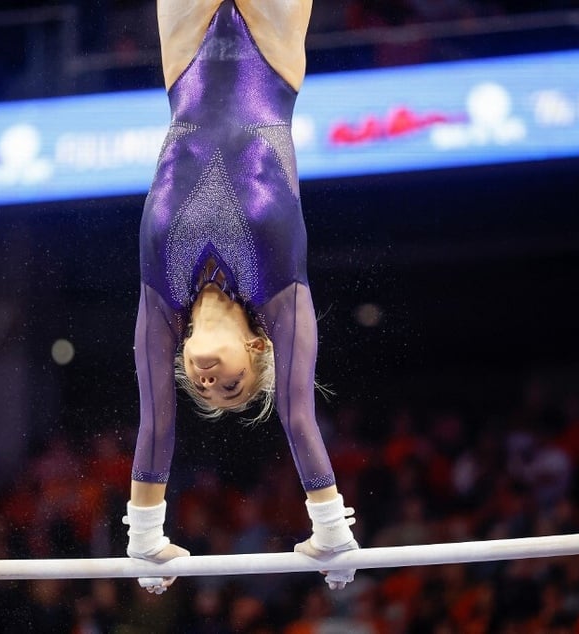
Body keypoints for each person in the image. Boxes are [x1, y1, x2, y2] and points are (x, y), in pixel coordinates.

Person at [124, 0, 359, 594]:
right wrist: (331, 530)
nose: (208, 380)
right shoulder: (281, 293)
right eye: (231, 384)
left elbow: (155, 424)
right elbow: (297, 414)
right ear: (258, 348)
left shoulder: (160, 303)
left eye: (202, 387)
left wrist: (145, 537)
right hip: (271, 59)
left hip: (186, 60)